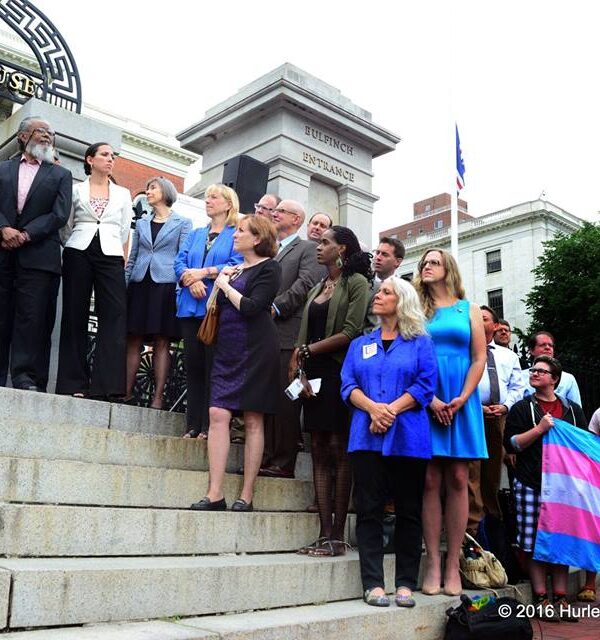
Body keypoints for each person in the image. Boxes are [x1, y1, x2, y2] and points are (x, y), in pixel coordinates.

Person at [341, 277, 437, 607]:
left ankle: (406, 583)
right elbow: (347, 384)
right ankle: (374, 584)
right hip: (365, 437)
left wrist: (390, 410)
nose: (377, 296)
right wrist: (372, 408)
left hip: (409, 439)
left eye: (385, 292)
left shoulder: (421, 342)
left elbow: (426, 386)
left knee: (409, 511)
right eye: (378, 291)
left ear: (402, 301)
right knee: (369, 510)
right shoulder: (360, 344)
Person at [190, 215, 281, 511]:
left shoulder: (270, 268)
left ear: (257, 238)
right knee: (217, 413)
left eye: (241, 231)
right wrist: (221, 284)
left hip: (256, 348)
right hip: (227, 347)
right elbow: (212, 306)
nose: (235, 234)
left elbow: (253, 307)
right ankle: (214, 493)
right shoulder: (235, 267)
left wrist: (225, 285)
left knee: (253, 418)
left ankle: (247, 495)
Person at [294, 225, 372, 557]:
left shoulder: (357, 284)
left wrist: (308, 351)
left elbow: (352, 331)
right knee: (319, 447)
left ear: (341, 249)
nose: (318, 246)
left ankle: (338, 536)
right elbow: (304, 331)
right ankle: (324, 533)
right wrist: (298, 364)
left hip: (340, 372)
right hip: (311, 374)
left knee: (339, 448)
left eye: (325, 242)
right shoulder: (317, 287)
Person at [413, 247, 487, 596]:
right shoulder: (415, 309)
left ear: (448, 269)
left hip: (462, 398)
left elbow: (478, 358)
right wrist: (431, 400)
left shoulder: (469, 309)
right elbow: (410, 357)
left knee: (459, 476)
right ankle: (432, 561)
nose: (427, 267)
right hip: (426, 396)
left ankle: (454, 563)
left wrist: (462, 398)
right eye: (424, 263)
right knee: (429, 478)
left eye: (434, 263)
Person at [504, 355, 586, 621]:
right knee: (533, 543)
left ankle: (560, 598)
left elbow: (583, 445)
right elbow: (512, 444)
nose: (535, 373)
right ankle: (541, 598)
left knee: (561, 542)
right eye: (533, 369)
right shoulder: (521, 409)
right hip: (530, 483)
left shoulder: (573, 410)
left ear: (554, 379)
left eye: (541, 371)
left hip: (564, 489)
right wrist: (539, 429)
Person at [0, 116, 72, 391]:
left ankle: (24, 377)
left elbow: (59, 214)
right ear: (22, 137)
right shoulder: (3, 169)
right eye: (40, 131)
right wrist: (4, 228)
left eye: (50, 133)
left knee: (31, 318)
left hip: (39, 254)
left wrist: (26, 234)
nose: (46, 136)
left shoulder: (60, 175)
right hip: (3, 251)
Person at [56, 142, 132, 398]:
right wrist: (75, 242)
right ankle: (73, 383)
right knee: (74, 313)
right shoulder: (76, 189)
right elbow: (66, 225)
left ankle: (106, 386)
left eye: (113, 156)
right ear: (90, 160)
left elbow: (124, 229)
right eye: (104, 155)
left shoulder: (123, 194)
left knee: (114, 315)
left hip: (110, 253)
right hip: (78, 249)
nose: (110, 159)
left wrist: (115, 248)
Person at [260, 199, 322, 478]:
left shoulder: (307, 248)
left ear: (296, 219)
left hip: (289, 333)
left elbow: (307, 283)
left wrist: (277, 306)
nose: (274, 213)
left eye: (280, 211)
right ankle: (268, 455)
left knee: (287, 398)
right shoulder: (271, 251)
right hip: (264, 335)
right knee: (267, 397)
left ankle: (284, 461)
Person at [174, 184, 242, 438]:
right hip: (189, 307)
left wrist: (203, 274)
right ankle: (192, 425)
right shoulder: (196, 233)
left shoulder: (235, 233)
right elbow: (179, 261)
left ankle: (208, 426)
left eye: (214, 197)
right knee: (192, 366)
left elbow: (235, 264)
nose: (208, 201)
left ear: (228, 203)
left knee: (212, 366)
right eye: (206, 197)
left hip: (214, 309)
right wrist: (190, 280)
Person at [124, 177, 191, 408]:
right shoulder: (141, 223)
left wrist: (180, 290)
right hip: (140, 283)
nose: (148, 191)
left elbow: (183, 256)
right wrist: (125, 285)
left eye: (153, 188)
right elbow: (133, 256)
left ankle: (158, 397)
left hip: (166, 285)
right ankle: (126, 391)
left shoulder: (183, 223)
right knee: (133, 338)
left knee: (162, 341)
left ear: (166, 193)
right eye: (148, 187)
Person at [467, 305, 524, 534]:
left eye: (484, 319)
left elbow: (518, 386)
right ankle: (473, 520)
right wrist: (476, 406)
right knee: (472, 468)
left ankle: (492, 517)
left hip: (499, 417)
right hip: (473, 413)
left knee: (492, 470)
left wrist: (505, 406)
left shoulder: (508, 356)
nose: (478, 322)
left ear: (495, 325)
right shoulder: (467, 352)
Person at [522, 331, 582, 406]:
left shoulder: (568, 379)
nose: (547, 347)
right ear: (531, 350)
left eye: (550, 345)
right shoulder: (520, 377)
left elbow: (575, 410)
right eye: (542, 345)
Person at [365, 237, 406, 334]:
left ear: (397, 262)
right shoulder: (363, 285)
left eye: (384, 254)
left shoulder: (405, 290)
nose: (378, 257)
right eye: (377, 252)